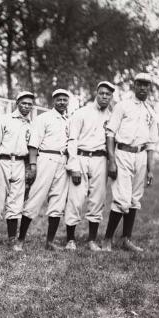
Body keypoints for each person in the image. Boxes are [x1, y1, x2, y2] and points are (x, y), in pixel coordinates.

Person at [102, 73, 159, 252]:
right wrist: (111, 160)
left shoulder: (150, 111)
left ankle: (126, 239)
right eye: (140, 84)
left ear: (150, 88)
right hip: (123, 153)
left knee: (134, 199)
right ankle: (107, 239)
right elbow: (110, 133)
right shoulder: (123, 106)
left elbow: (151, 143)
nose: (143, 88)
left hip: (141, 156)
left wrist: (150, 169)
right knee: (121, 199)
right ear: (134, 85)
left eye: (146, 85)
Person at [64, 81, 115, 251]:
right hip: (81, 157)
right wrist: (74, 166)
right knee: (76, 199)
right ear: (96, 93)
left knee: (97, 199)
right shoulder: (82, 112)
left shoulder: (112, 116)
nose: (104, 97)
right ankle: (70, 239)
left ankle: (91, 240)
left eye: (108, 94)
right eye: (102, 93)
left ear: (111, 97)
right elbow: (72, 140)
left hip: (100, 160)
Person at [18, 89, 70, 251]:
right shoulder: (43, 118)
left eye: (65, 100)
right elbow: (33, 144)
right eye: (59, 99)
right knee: (35, 198)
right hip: (46, 158)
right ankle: (20, 240)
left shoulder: (69, 120)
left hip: (63, 161)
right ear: (53, 101)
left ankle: (50, 242)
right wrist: (33, 165)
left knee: (58, 201)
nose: (62, 102)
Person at [0, 91, 35, 251]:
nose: (26, 106)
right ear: (17, 103)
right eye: (24, 103)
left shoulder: (31, 124)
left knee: (16, 203)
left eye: (29, 104)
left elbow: (31, 149)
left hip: (20, 163)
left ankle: (12, 239)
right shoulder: (5, 120)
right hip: (3, 161)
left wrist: (29, 168)